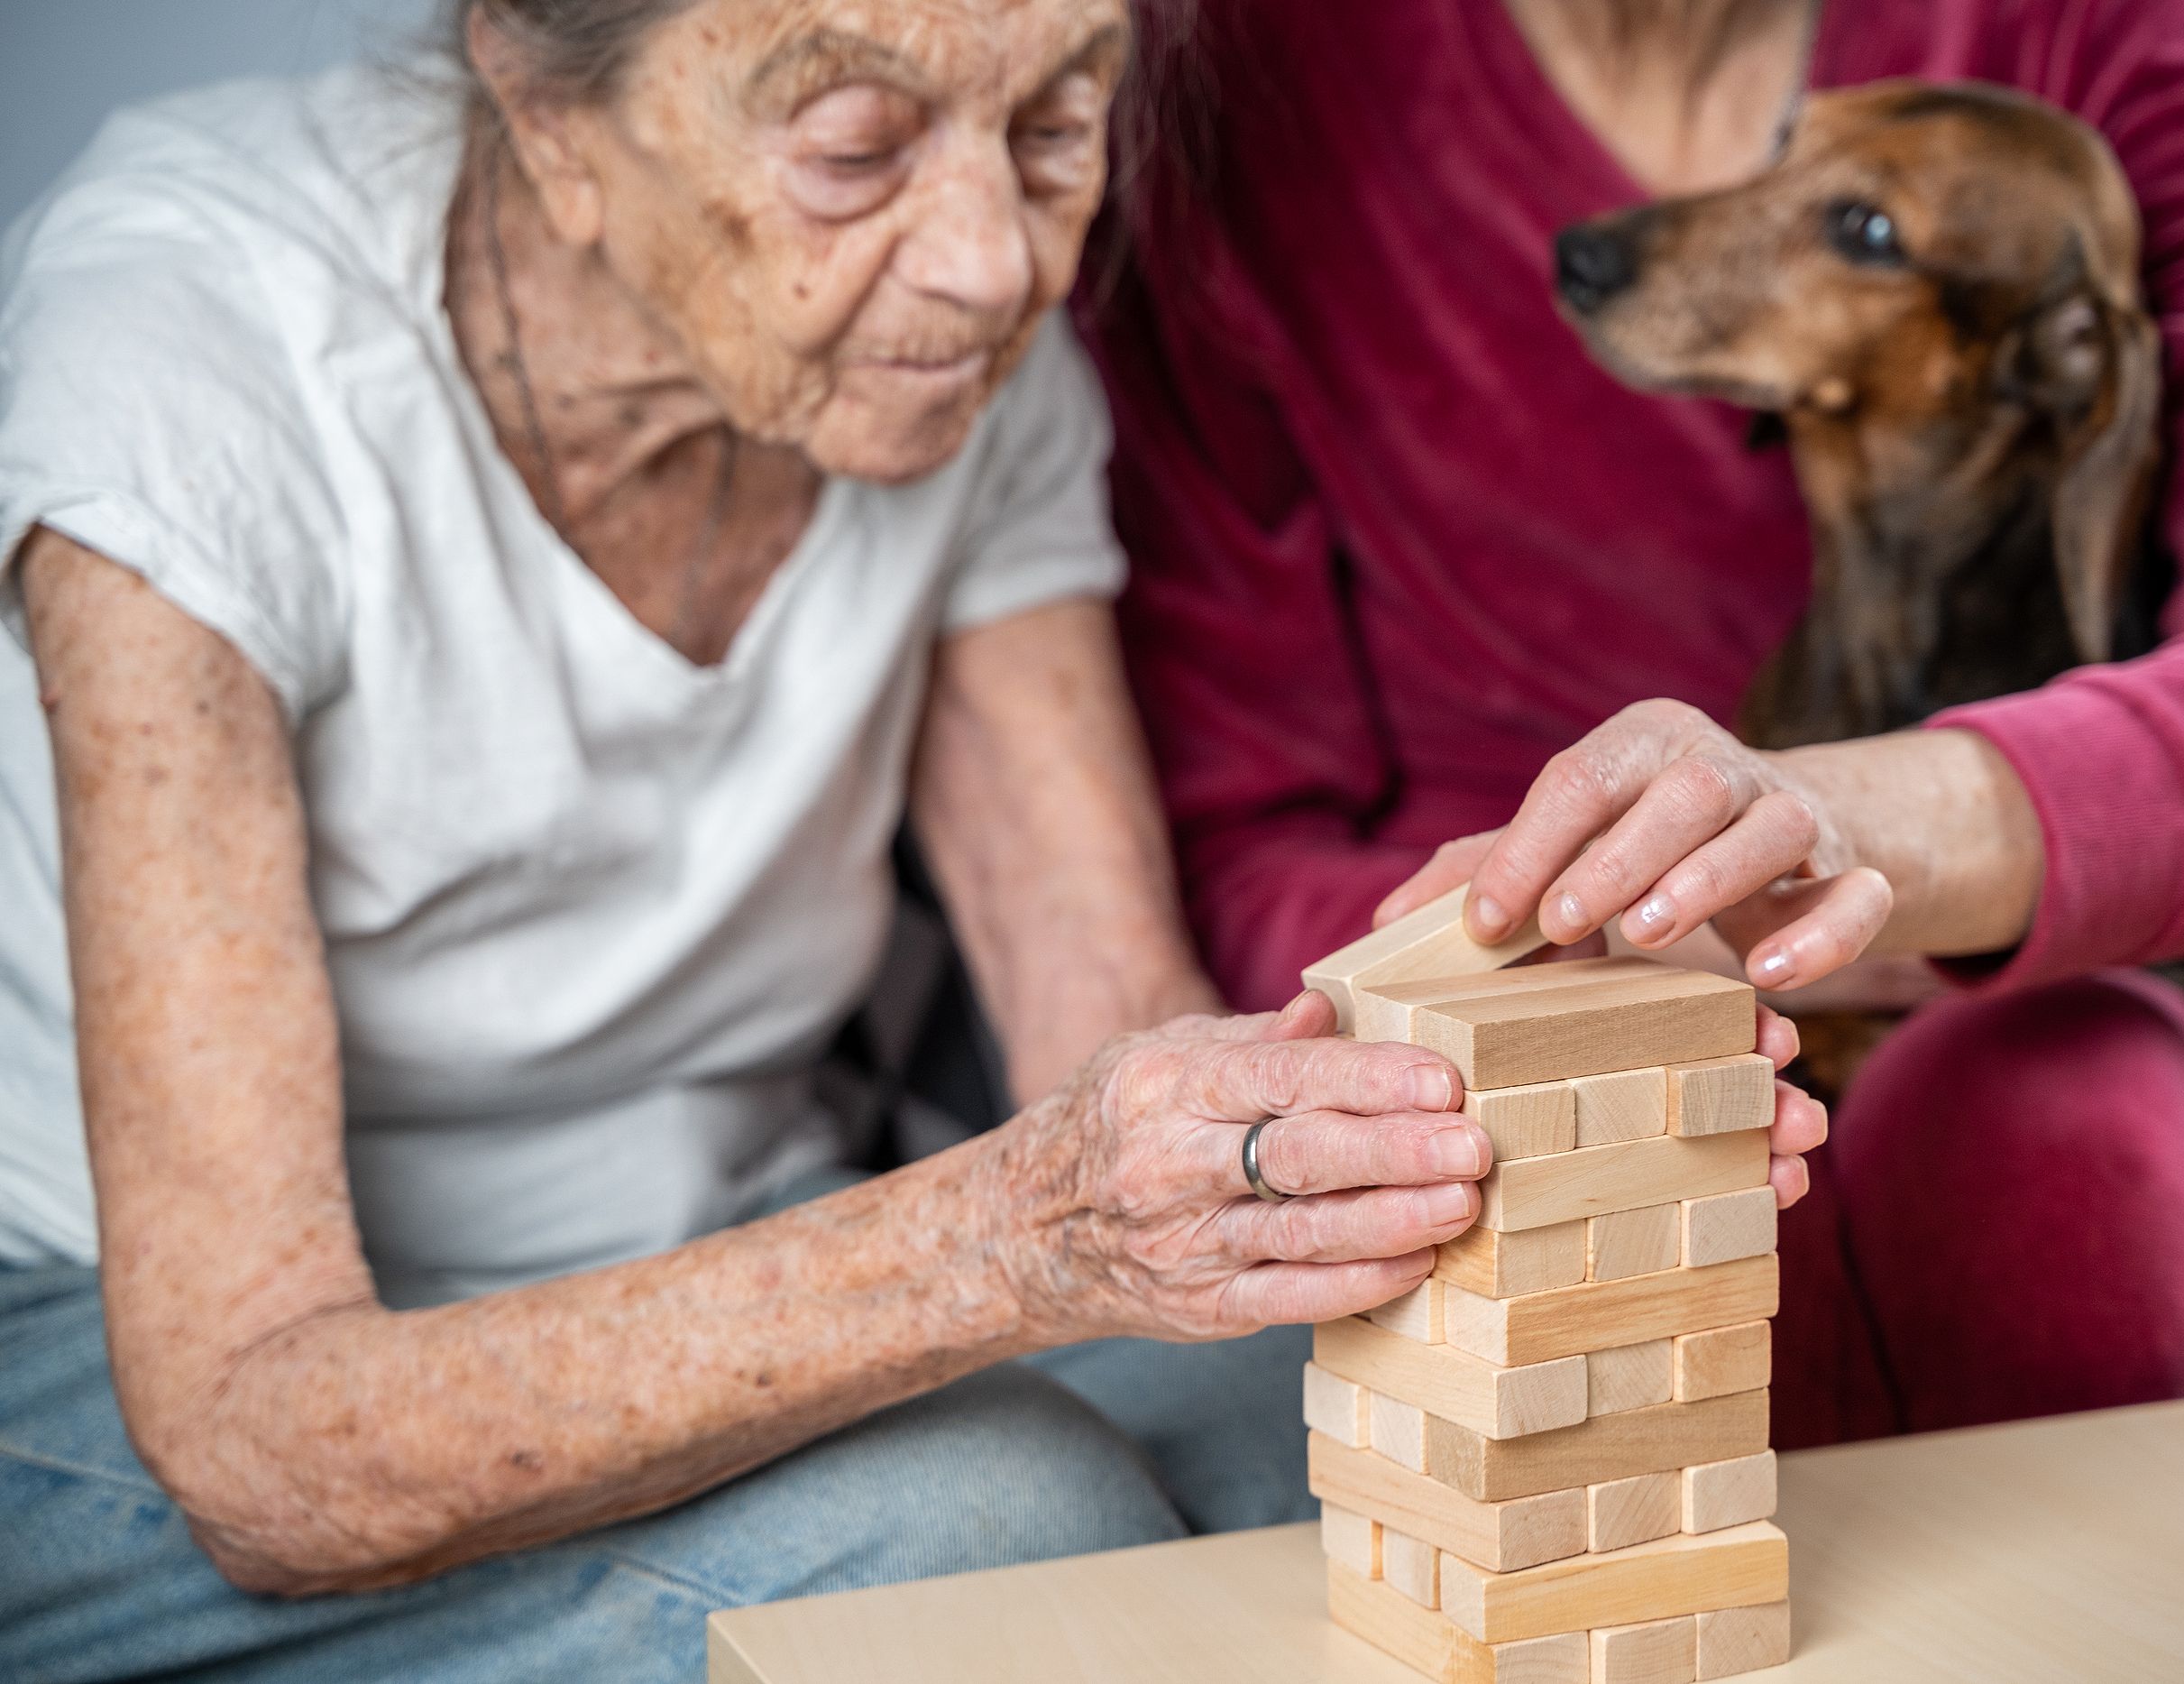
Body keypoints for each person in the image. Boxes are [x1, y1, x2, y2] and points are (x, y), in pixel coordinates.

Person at [4, 5, 1827, 1679]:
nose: (992, 265)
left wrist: (1548, 1112)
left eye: (1055, 128)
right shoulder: (194, 357)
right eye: (857, 149)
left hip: (720, 1217)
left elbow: (1103, 1015)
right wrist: (1018, 1233)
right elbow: (259, 1434)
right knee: (995, 1533)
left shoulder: (951, 368)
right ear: (547, 107)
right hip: (130, 1330)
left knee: (1328, 1410)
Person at [1085, 0, 2184, 1447]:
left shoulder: (2104, 27)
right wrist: (1592, 970)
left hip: (2112, 1009)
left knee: (2057, 1138)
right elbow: (1238, 847)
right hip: (1520, 1017)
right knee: (1693, 1187)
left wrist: (1869, 849)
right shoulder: (1224, 70)